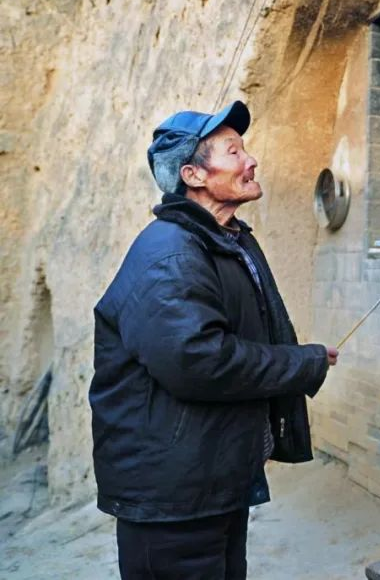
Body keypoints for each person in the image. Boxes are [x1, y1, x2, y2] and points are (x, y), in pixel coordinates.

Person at [90, 100, 338, 580]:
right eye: (233, 152)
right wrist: (302, 364)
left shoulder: (225, 241)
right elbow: (199, 362)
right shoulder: (171, 254)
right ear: (194, 175)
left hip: (211, 480)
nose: (251, 160)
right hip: (172, 498)